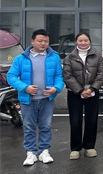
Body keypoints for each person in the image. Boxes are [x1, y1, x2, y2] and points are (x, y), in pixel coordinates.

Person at [7, 29, 64, 166]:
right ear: (32, 41)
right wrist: (25, 88)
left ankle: (44, 151)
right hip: (28, 100)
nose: (43, 43)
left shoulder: (54, 57)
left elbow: (59, 76)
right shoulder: (21, 58)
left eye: (46, 41)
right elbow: (11, 76)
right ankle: (30, 152)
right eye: (40, 41)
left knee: (46, 126)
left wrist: (56, 89)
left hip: (46, 99)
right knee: (28, 127)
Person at [62, 32, 103, 159]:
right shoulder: (69, 57)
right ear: (76, 42)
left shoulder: (97, 56)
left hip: (92, 92)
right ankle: (75, 148)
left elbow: (101, 74)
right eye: (80, 40)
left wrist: (92, 89)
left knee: (92, 119)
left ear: (89, 41)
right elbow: (67, 75)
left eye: (85, 40)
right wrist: (80, 90)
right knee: (75, 121)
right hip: (74, 93)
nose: (83, 43)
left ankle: (89, 146)